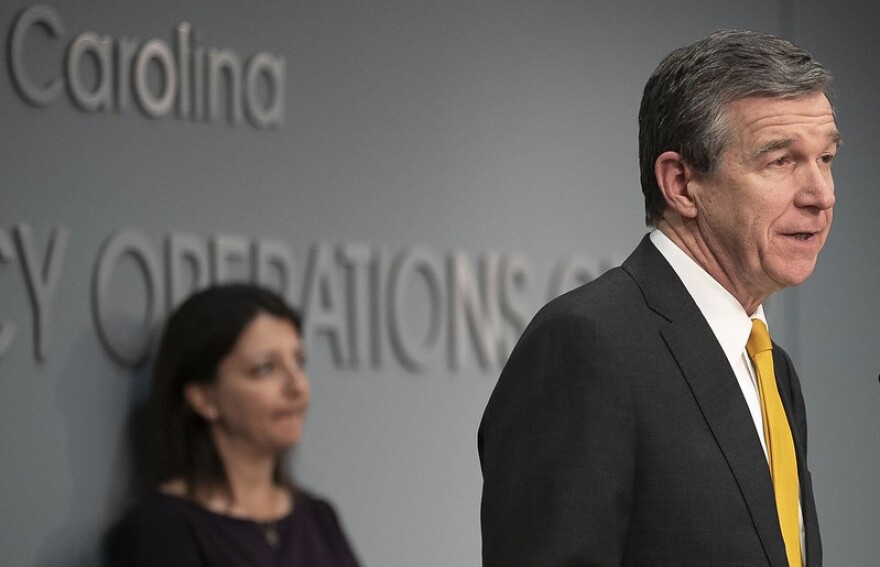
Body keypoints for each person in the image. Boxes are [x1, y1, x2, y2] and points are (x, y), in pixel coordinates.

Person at [478, 29, 839, 566]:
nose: (820, 195)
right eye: (780, 161)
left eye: (826, 158)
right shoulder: (587, 344)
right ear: (681, 184)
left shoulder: (772, 369)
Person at [108, 284, 361, 566]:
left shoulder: (319, 517)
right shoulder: (161, 530)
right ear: (203, 398)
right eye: (265, 368)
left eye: (298, 362)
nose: (297, 386)